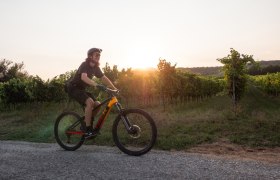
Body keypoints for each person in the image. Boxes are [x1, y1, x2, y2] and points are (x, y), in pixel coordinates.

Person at [67, 48, 117, 138]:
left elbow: (104, 78)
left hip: (81, 89)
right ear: (90, 56)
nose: (98, 56)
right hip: (73, 88)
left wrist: (114, 88)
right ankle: (88, 129)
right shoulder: (84, 64)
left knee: (98, 104)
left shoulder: (96, 68)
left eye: (99, 55)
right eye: (96, 55)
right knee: (90, 102)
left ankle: (87, 123)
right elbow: (84, 77)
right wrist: (96, 85)